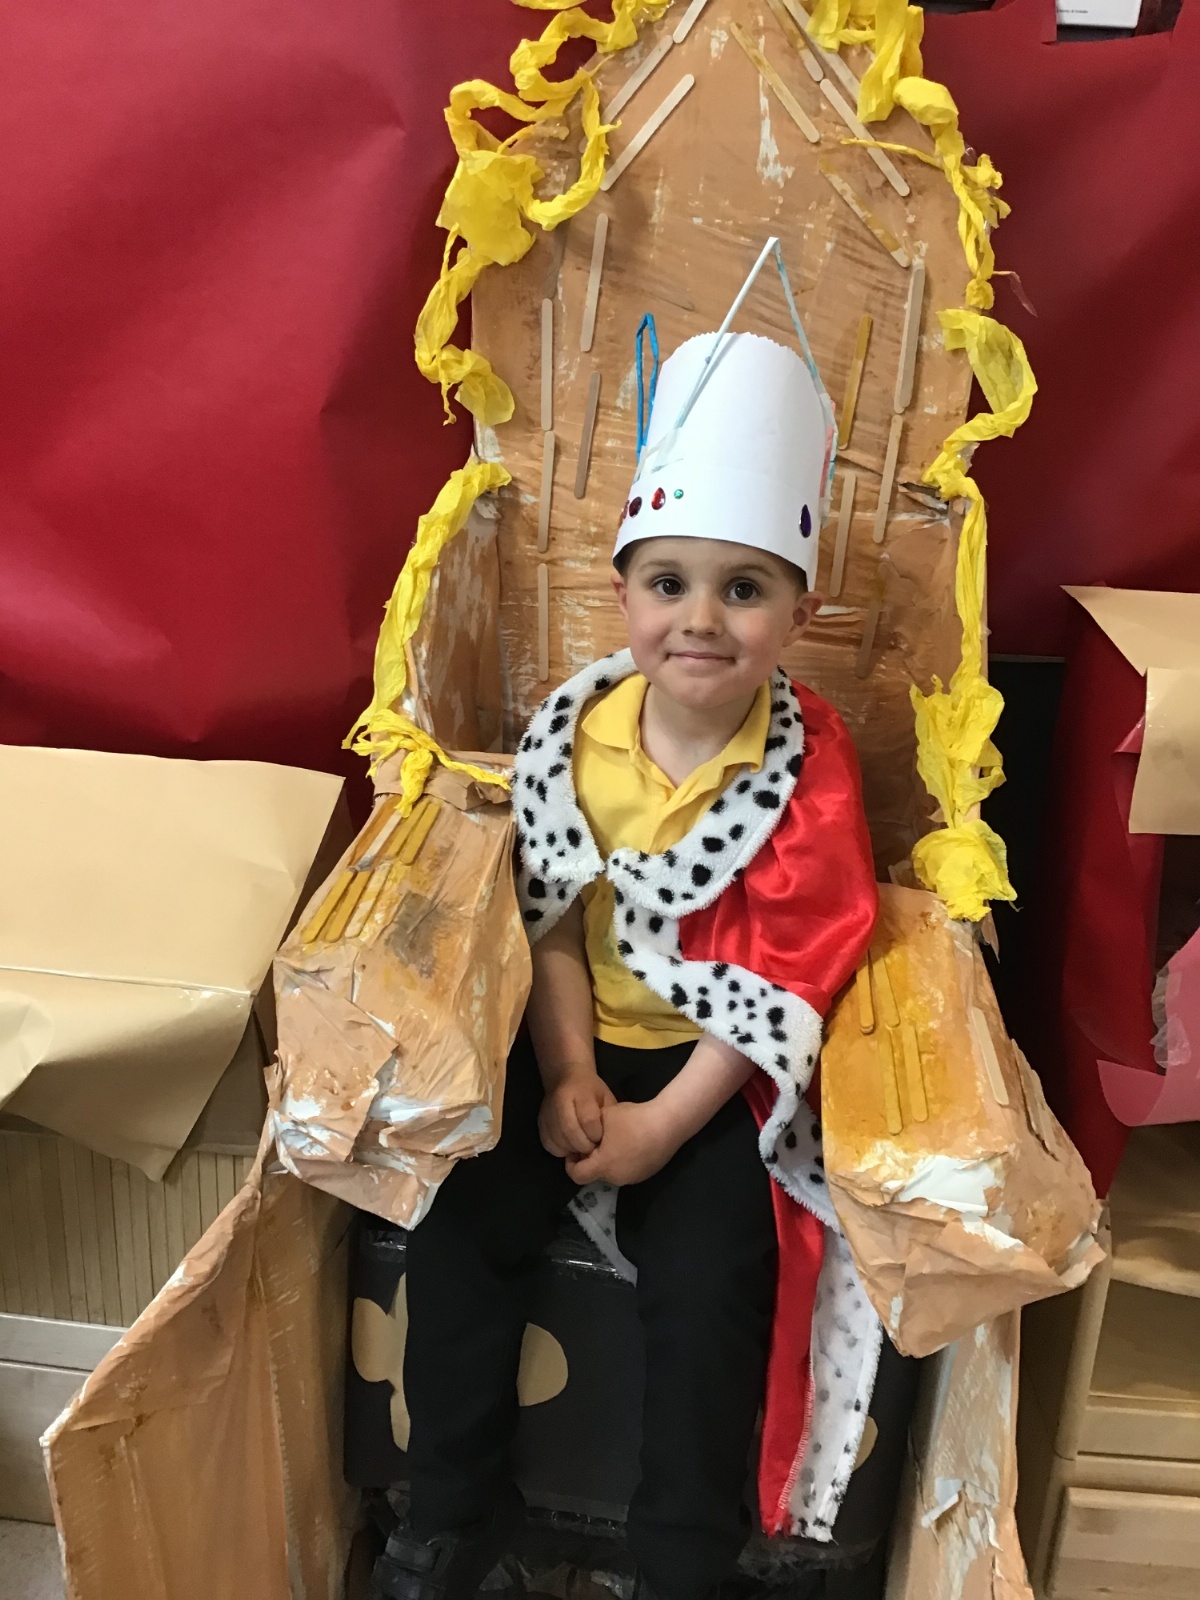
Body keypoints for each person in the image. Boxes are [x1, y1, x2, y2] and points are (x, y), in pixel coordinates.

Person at [374, 291, 881, 1600]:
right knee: (459, 1220)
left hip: (714, 1074)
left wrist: (659, 1129)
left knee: (713, 1287)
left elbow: (781, 981)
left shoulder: (808, 771)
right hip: (575, 1038)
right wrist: (566, 1076)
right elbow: (549, 921)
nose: (701, 619)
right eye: (669, 584)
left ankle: (679, 1563)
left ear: (798, 612)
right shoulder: (574, 736)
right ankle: (452, 1508)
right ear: (624, 595)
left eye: (743, 589)